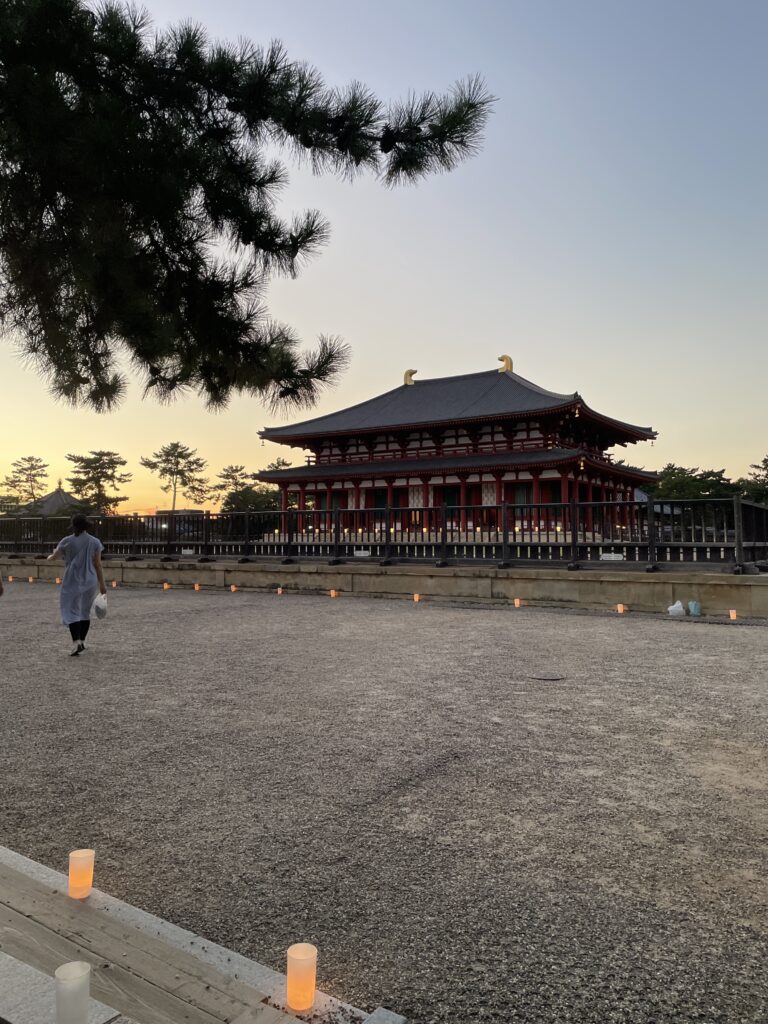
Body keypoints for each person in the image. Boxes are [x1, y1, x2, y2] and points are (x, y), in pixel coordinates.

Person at [48, 514, 106, 656]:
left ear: (73, 526)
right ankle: (83, 641)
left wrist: (50, 556)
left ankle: (76, 642)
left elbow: (54, 558)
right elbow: (98, 564)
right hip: (91, 579)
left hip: (72, 579)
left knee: (70, 610)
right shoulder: (95, 542)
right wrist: (102, 585)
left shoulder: (66, 541)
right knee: (84, 611)